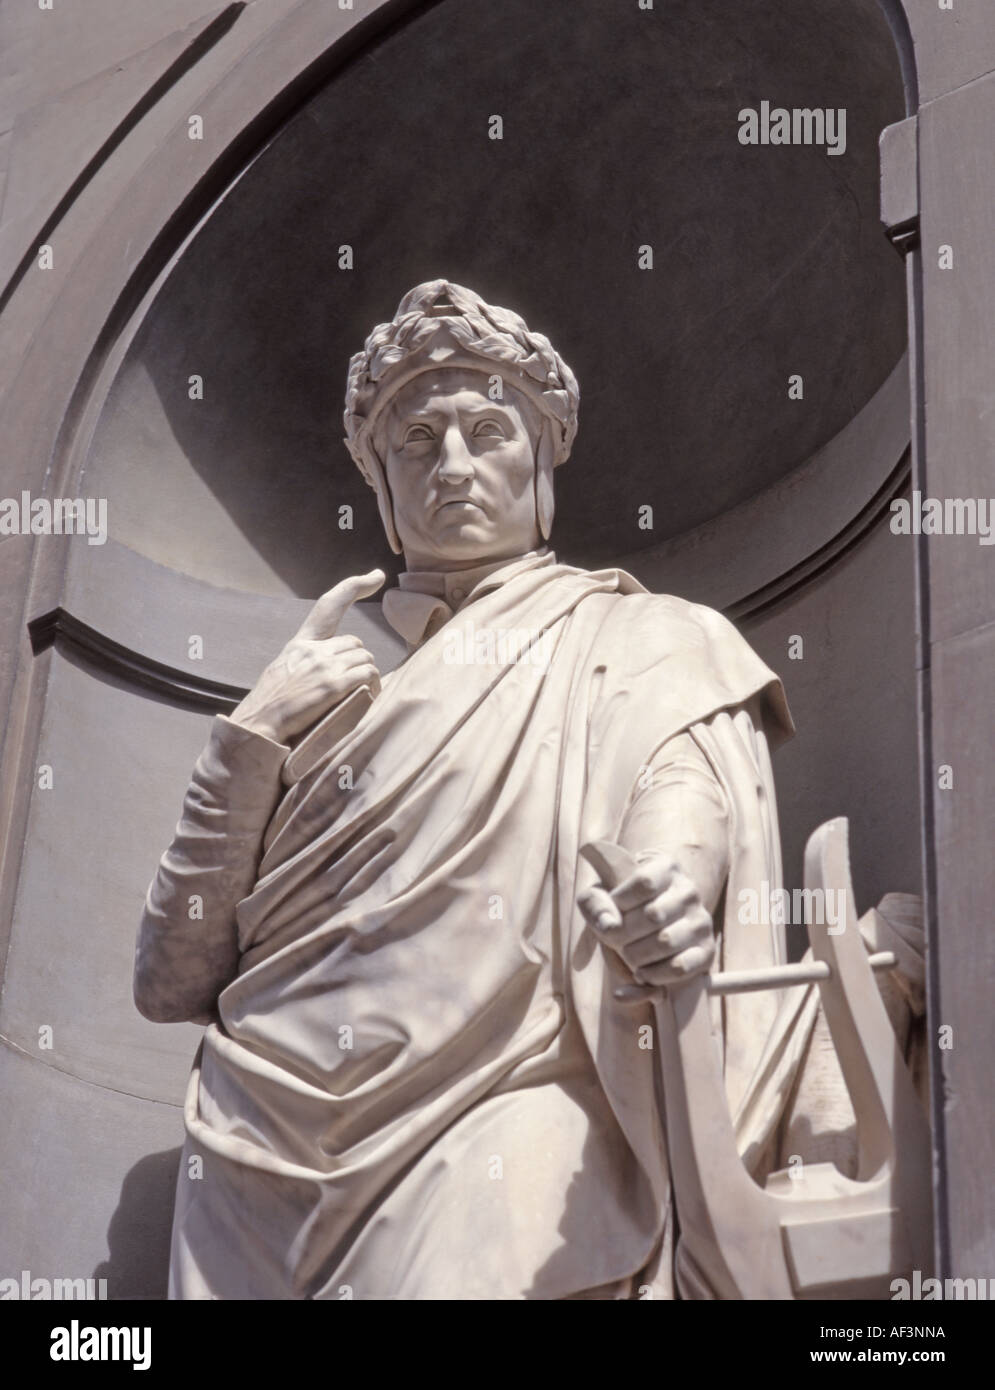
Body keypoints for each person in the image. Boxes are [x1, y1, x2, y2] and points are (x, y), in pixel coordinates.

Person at [135, 280, 801, 1299]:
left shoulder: (638, 633)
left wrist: (666, 885)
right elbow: (171, 979)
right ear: (382, 484)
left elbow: (678, 784)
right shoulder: (317, 696)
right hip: (257, 1142)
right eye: (415, 442)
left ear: (540, 456)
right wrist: (250, 740)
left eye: (486, 431)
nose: (451, 466)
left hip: (511, 1087)